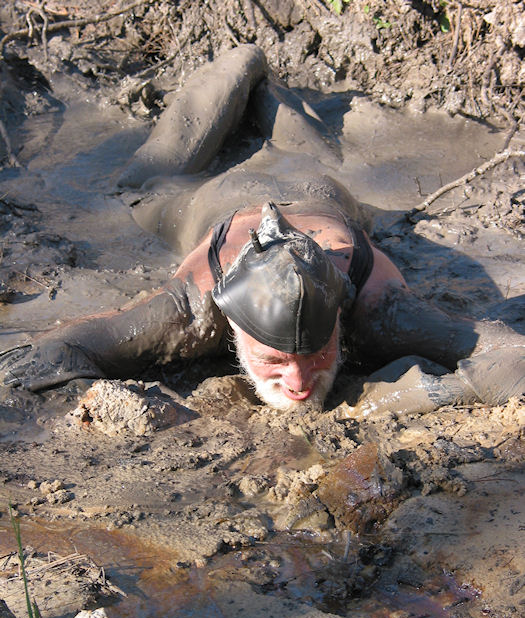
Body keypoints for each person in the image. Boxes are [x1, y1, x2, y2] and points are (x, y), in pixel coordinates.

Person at [1, 46, 523, 415]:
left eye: (317, 354)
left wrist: (398, 399)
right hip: (209, 199)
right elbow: (47, 355)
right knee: (140, 187)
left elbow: (513, 361)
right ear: (231, 323)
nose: (298, 383)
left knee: (310, 150)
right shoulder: (193, 308)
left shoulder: (376, 305)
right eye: (273, 358)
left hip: (316, 180)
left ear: (340, 313)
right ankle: (245, 60)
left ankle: (263, 81)